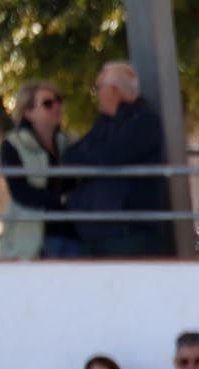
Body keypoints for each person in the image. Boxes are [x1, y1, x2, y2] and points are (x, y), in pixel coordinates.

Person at [62, 61, 165, 257]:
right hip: (96, 232)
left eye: (98, 88)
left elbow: (110, 157)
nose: (97, 94)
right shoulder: (104, 124)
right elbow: (71, 156)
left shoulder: (144, 122)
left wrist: (91, 155)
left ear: (114, 90)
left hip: (128, 234)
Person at [0, 80, 76, 260]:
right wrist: (60, 200)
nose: (57, 106)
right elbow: (19, 191)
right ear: (28, 112)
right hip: (34, 235)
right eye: (48, 103)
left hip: (72, 232)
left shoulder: (69, 142)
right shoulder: (12, 144)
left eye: (59, 100)